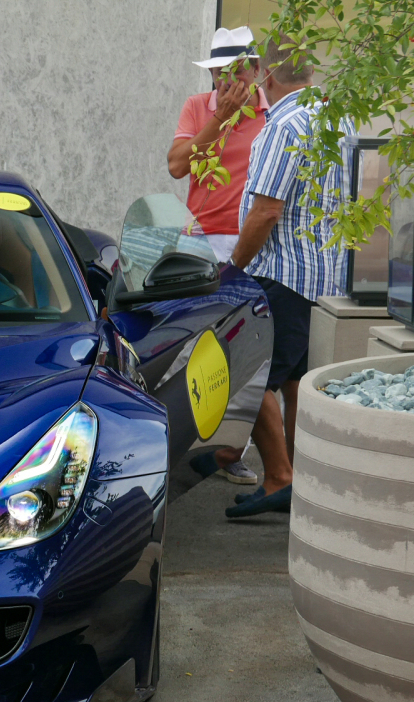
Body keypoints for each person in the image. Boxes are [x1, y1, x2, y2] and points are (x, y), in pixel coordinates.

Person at [220, 32, 351, 518]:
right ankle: (297, 485)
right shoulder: (340, 118)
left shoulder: (285, 125)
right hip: (325, 278)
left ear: (266, 76)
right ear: (311, 71)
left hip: (283, 275)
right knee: (296, 382)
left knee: (248, 383)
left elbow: (265, 212)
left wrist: (234, 267)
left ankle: (278, 476)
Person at [170, 26, 268, 486]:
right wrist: (220, 119)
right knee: (199, 345)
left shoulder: (271, 114)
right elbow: (176, 165)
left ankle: (234, 450)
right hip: (202, 238)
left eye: (230, 72)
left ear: (252, 71)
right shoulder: (199, 107)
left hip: (251, 239)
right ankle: (199, 444)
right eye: (215, 73)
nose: (221, 82)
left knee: (246, 348)